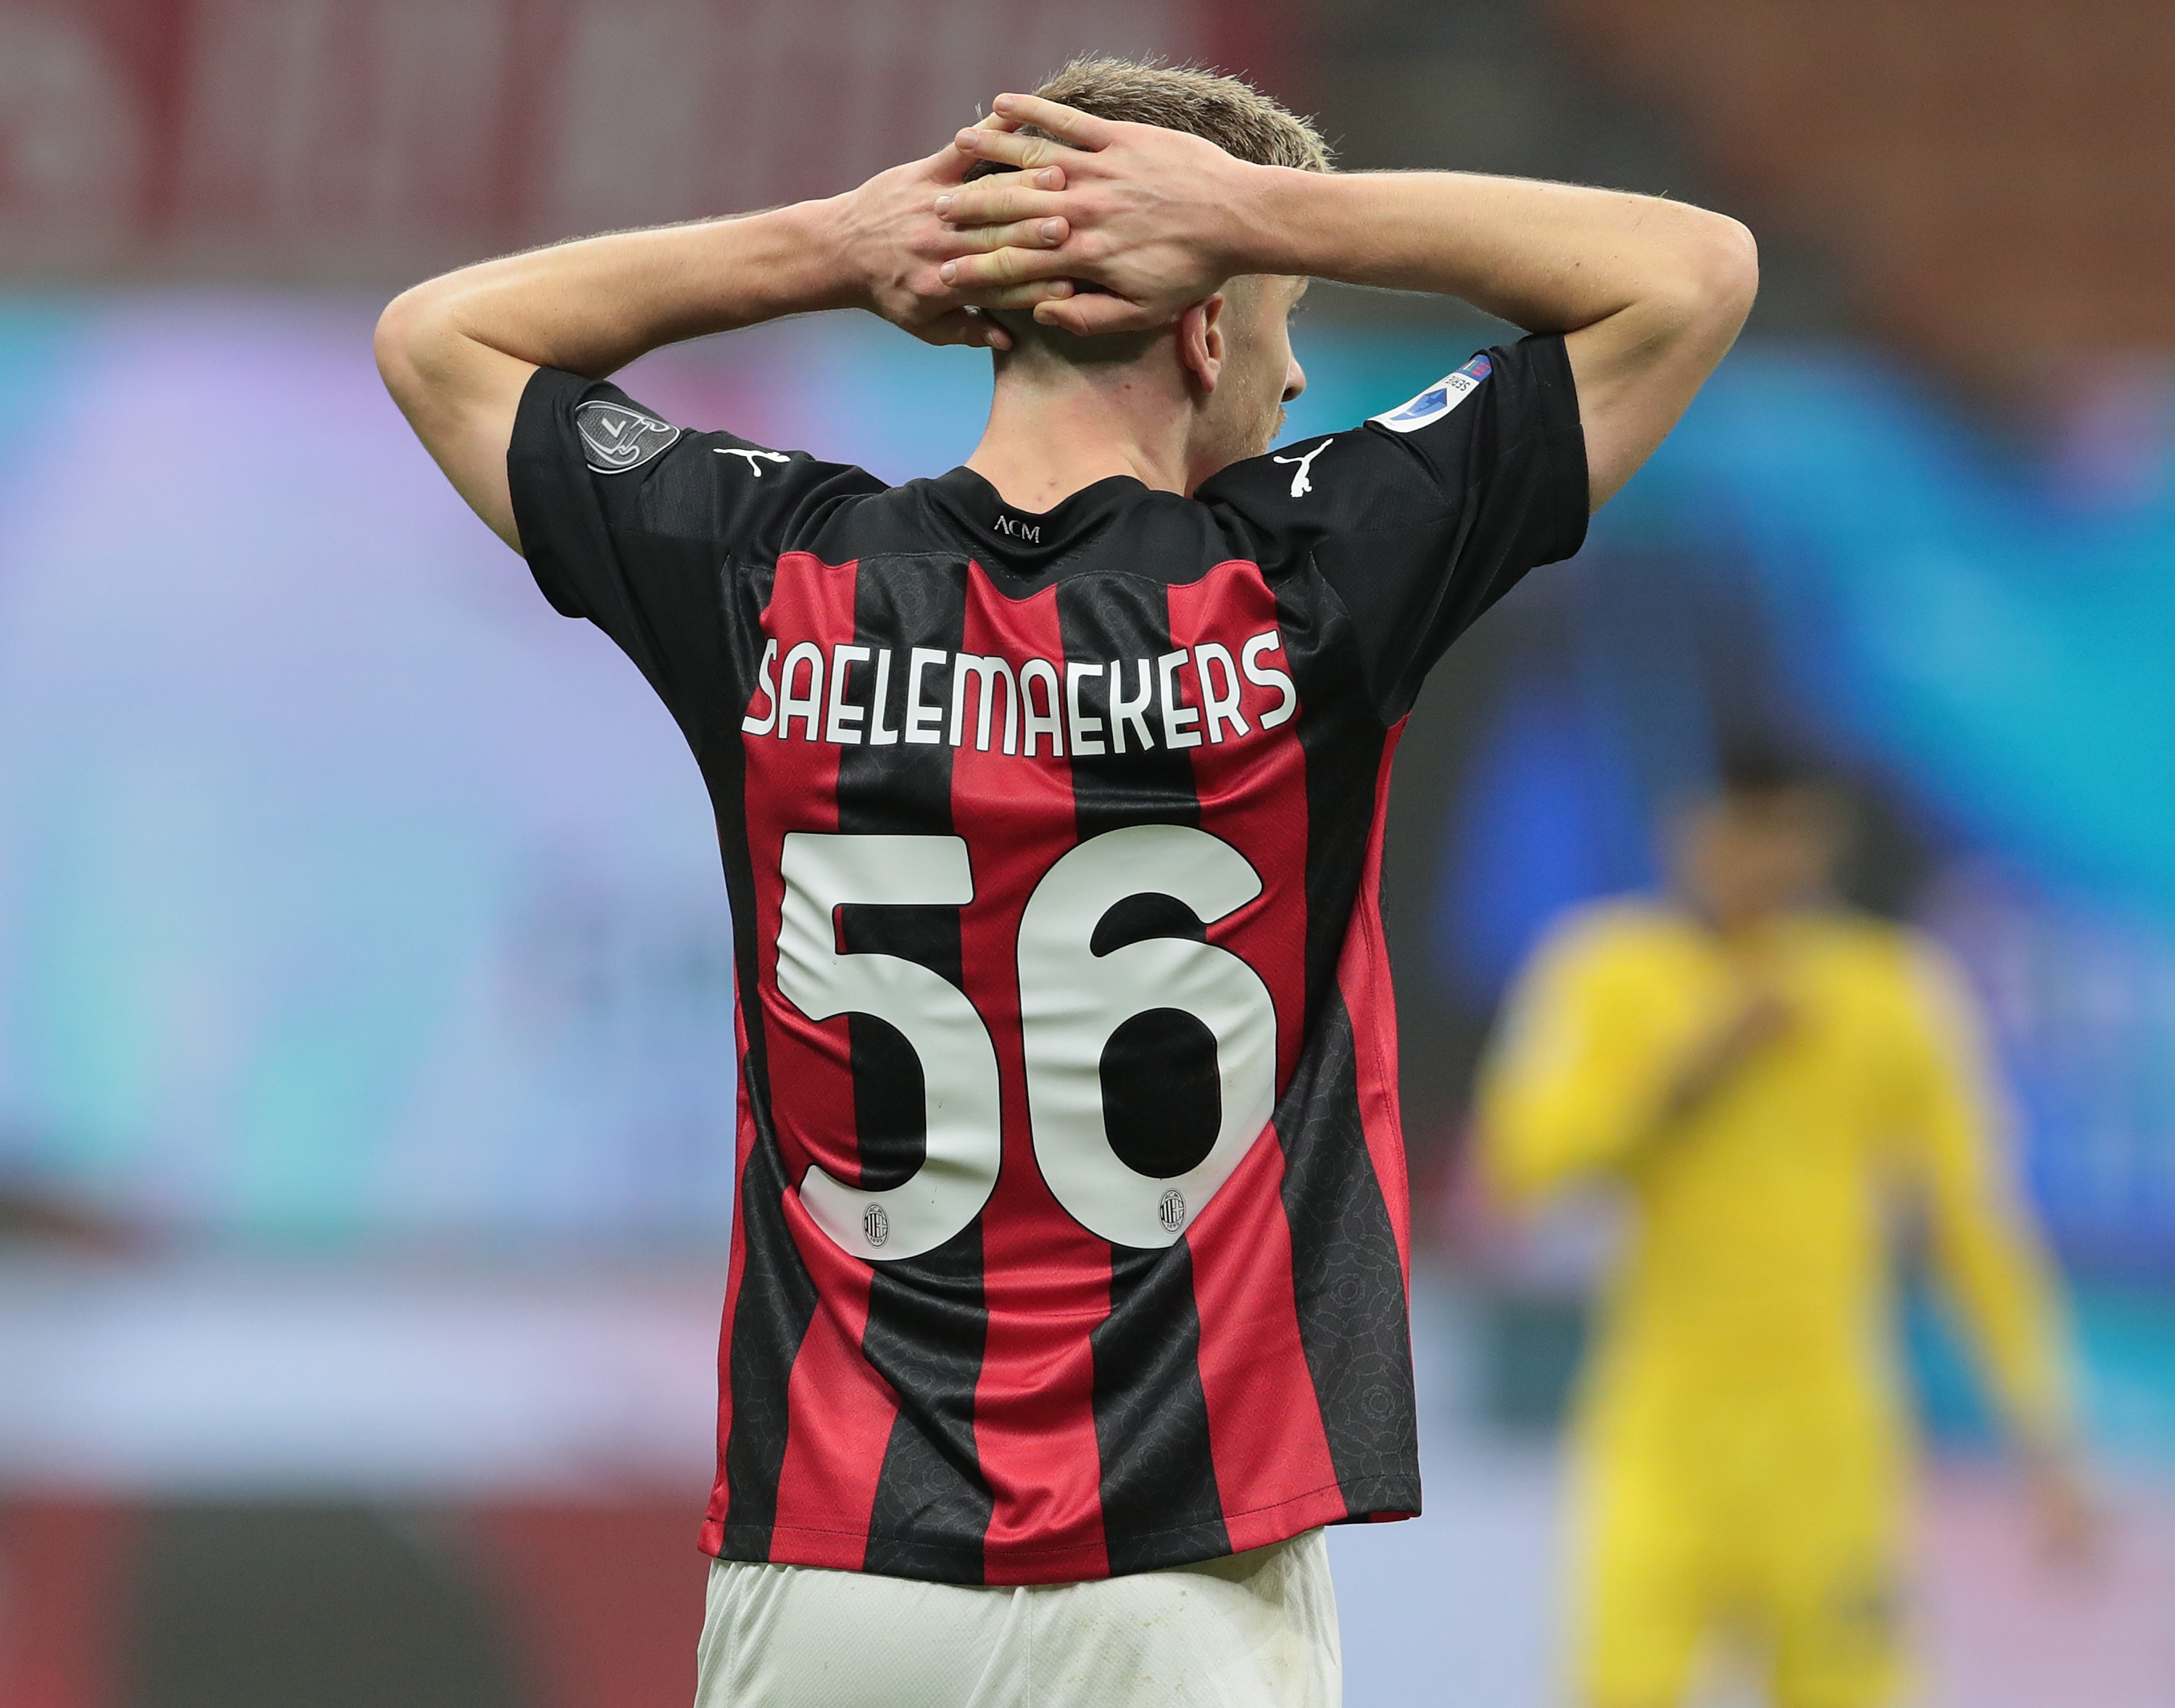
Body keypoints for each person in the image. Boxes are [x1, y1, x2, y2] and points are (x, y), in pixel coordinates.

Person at [377, 54, 1754, 1708]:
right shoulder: (1309, 583)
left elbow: (441, 341)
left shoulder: (775, 577)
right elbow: (1692, 271)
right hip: (1182, 1579)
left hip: (835, 1572)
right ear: (1206, 321)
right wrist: (1263, 213)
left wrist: (837, 244)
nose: (1298, 371)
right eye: (1281, 316)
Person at [1478, 748, 2092, 1708]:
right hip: (1664, 1431)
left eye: (1784, 833)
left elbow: (1975, 1227)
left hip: (1828, 1441)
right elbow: (1517, 1164)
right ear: (1689, 832)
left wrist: (2044, 1432)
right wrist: (1683, 1077)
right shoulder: (1609, 972)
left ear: (1821, 842)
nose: (1761, 859)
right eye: (1740, 830)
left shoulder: (1886, 991)